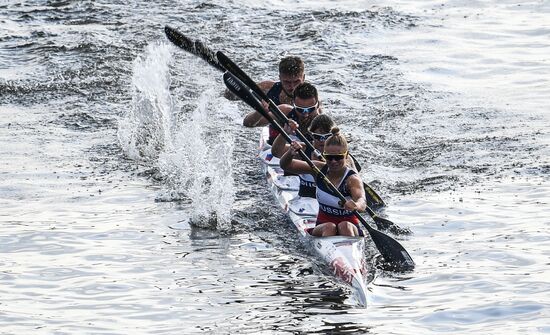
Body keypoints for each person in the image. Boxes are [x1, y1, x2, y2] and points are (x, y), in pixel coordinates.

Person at [279, 128, 367, 237]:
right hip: (323, 225)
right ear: (324, 155)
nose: (333, 161)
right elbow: (285, 165)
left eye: (338, 157)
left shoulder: (352, 179)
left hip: (350, 226)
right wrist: (290, 153)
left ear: (346, 155)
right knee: (330, 227)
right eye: (329, 157)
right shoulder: (318, 169)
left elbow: (362, 200)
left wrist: (356, 205)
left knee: (345, 226)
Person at [242, 56, 306, 129]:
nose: (292, 87)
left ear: (303, 78)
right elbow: (248, 124)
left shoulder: (311, 100)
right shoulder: (267, 87)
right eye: (287, 82)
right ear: (280, 78)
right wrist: (261, 110)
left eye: (296, 81)